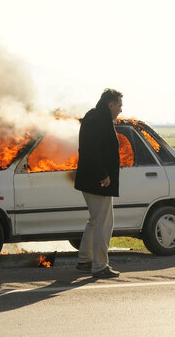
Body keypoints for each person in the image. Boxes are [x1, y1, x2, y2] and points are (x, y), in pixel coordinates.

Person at [74, 88, 123, 279]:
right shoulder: (100, 120)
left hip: (91, 179)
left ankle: (85, 260)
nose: (120, 110)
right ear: (110, 104)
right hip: (98, 181)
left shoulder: (95, 117)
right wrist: (103, 174)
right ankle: (100, 266)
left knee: (95, 221)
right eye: (119, 106)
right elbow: (90, 150)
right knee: (104, 223)